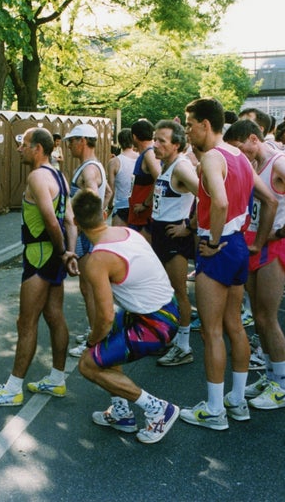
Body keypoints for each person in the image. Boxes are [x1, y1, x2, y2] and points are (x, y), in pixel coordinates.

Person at [180, 98, 277, 431]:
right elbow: (271, 200)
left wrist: (211, 241)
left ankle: (214, 410)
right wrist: (258, 242)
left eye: (189, 123)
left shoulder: (212, 158)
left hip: (219, 246)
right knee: (235, 325)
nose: (186, 130)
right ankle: (236, 401)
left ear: (206, 125)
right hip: (238, 245)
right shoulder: (241, 156)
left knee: (212, 332)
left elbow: (219, 202)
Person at [72, 188, 180, 444]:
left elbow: (106, 315)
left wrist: (91, 341)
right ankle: (121, 414)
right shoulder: (127, 232)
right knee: (106, 341)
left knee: (88, 363)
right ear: (104, 213)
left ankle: (158, 408)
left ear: (76, 223)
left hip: (156, 324)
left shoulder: (97, 259)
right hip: (166, 310)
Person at [0, 128, 78, 407]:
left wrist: (61, 253)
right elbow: (70, 221)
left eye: (23, 144)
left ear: (37, 148)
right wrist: (70, 253)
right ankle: (57, 380)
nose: (19, 149)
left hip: (40, 255)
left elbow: (50, 220)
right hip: (54, 255)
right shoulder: (60, 175)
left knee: (26, 321)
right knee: (55, 316)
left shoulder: (37, 176)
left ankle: (13, 389)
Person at [223, 119, 285, 409]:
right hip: (255, 243)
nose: (239, 155)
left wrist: (279, 233)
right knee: (258, 317)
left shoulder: (278, 161)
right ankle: (272, 375)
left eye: (240, 148)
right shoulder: (254, 165)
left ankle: (282, 385)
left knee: (268, 317)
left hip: (274, 246)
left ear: (252, 138)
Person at [151, 120, 199, 367]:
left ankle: (184, 346)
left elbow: (207, 194)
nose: (155, 145)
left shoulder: (181, 167)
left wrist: (188, 226)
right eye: (154, 139)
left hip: (174, 235)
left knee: (179, 291)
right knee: (165, 290)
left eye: (162, 141)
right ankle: (171, 336)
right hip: (160, 232)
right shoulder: (166, 164)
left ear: (176, 145)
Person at [63, 123, 109, 357]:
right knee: (90, 287)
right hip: (92, 232)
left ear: (82, 141)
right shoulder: (94, 165)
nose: (69, 145)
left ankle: (95, 339)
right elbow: (108, 192)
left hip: (86, 235)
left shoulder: (89, 171)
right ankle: (95, 331)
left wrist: (86, 223)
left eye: (71, 141)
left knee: (88, 287)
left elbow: (92, 195)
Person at [128, 119, 161, 243]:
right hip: (137, 216)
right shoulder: (148, 153)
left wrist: (145, 204)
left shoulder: (149, 154)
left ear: (134, 137)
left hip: (144, 219)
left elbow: (159, 178)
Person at [106, 128, 137, 227]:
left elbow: (111, 188)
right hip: (137, 206)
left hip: (120, 206)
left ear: (119, 142)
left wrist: (110, 206)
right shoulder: (141, 159)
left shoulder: (114, 162)